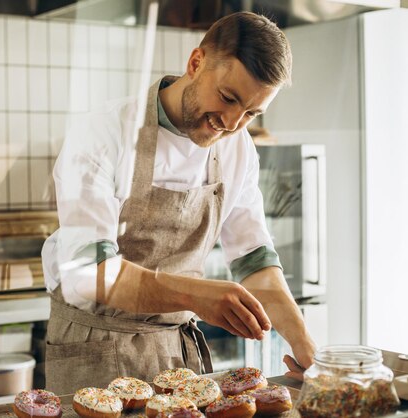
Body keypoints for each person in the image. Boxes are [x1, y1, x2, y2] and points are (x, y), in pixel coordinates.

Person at [41, 11, 315, 394]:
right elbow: (90, 270)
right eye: (228, 97)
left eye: (251, 113)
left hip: (176, 352)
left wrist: (309, 353)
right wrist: (194, 295)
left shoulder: (237, 148)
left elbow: (255, 261)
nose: (232, 123)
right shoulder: (105, 130)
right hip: (94, 344)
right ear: (196, 62)